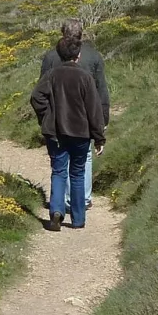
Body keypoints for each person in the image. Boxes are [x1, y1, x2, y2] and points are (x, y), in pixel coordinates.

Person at [30, 33, 106, 231]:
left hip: (55, 133)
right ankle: (78, 219)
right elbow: (94, 109)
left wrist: (46, 116)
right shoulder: (85, 77)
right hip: (80, 134)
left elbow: (36, 97)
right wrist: (99, 137)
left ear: (59, 55)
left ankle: (56, 211)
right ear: (78, 56)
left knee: (58, 171)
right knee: (78, 173)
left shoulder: (52, 75)